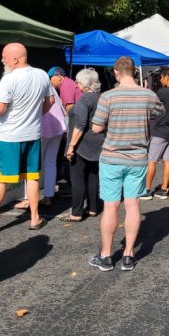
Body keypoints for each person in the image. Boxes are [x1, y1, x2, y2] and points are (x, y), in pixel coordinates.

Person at [89, 56, 164, 271]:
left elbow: (95, 128)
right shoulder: (148, 95)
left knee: (111, 206)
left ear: (116, 73)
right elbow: (161, 113)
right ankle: (129, 255)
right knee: (133, 205)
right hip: (138, 157)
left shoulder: (108, 96)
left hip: (112, 158)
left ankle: (105, 256)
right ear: (135, 72)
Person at [0, 43, 53, 235]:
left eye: (4, 57)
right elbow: (50, 102)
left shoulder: (8, 79)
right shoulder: (42, 74)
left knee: (0, 179)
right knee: (31, 177)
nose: (2, 60)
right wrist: (36, 116)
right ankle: (34, 218)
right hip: (33, 134)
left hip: (9, 137)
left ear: (15, 59)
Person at [63, 68, 105, 222]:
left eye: (78, 82)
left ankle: (77, 212)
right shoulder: (101, 97)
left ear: (84, 84)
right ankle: (93, 208)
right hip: (98, 142)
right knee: (93, 176)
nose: (76, 84)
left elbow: (80, 125)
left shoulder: (84, 99)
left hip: (82, 145)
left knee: (78, 178)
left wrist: (71, 146)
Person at [146, 67, 169, 199]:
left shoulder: (161, 92)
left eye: (161, 78)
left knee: (152, 160)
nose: (161, 80)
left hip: (160, 130)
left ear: (167, 77)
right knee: (168, 160)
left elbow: (152, 108)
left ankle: (147, 190)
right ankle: (164, 189)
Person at [39, 86, 66, 208]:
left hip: (42, 126)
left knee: (33, 164)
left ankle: (28, 199)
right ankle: (48, 196)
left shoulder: (36, 84)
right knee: (50, 162)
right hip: (58, 125)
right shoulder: (49, 86)